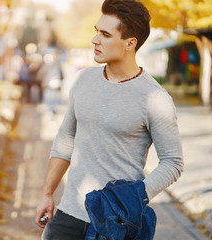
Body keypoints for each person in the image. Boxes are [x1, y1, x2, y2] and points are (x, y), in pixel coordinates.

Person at [35, 0, 184, 239]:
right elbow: (66, 137)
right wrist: (47, 192)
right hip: (67, 215)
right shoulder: (84, 80)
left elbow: (173, 162)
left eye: (105, 34)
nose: (95, 40)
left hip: (115, 225)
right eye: (97, 31)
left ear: (130, 43)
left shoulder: (155, 98)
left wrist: (134, 197)